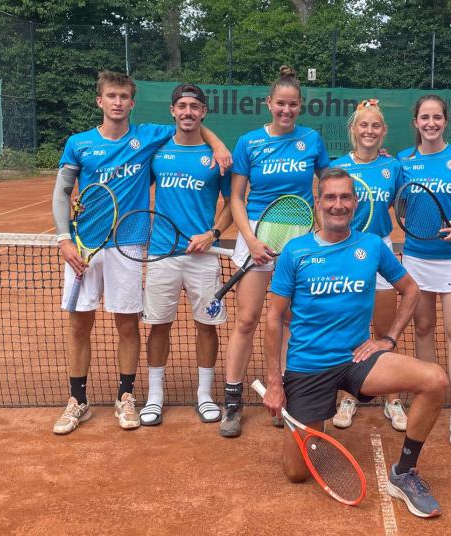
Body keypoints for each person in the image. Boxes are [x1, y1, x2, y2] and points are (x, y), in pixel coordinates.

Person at [52, 71, 231, 435]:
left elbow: (193, 127)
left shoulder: (150, 137)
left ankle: (128, 395)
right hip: (85, 247)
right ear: (100, 101)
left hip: (131, 246)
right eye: (111, 96)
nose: (118, 102)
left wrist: (218, 145)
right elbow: (61, 190)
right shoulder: (80, 143)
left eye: (124, 97)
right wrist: (64, 239)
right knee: (79, 326)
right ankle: (79, 400)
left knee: (129, 325)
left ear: (132, 103)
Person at [262, 168, 448, 518]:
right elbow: (274, 318)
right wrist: (275, 382)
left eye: (345, 197)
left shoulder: (372, 245)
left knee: (434, 379)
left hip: (357, 359)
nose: (338, 205)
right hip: (307, 366)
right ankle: (310, 416)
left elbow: (410, 290)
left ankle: (404, 472)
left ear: (355, 202)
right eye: (330, 197)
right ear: (318, 203)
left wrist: (388, 339)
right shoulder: (295, 251)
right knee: (297, 473)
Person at [221, 65, 329, 438]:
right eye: (280, 104)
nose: (286, 110)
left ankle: (283, 395)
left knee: (288, 321)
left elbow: (328, 183)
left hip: (297, 242)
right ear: (269, 103)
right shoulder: (249, 142)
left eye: (293, 105)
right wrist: (250, 240)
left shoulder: (312, 140)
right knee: (248, 319)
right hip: (256, 237)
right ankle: (232, 402)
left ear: (300, 107)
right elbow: (236, 197)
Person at [137, 83, 233, 426]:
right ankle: (155, 397)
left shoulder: (216, 157)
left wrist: (213, 234)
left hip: (202, 258)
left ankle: (204, 395)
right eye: (182, 106)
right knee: (158, 326)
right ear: (172, 111)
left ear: (203, 112)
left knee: (207, 327)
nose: (188, 111)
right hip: (162, 254)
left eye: (195, 106)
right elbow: (132, 185)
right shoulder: (158, 151)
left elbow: (231, 205)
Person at [397, 95, 451, 447]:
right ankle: (428, 397)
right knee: (422, 328)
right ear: (415, 122)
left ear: (445, 121)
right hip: (416, 259)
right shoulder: (403, 161)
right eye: (424, 117)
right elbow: (400, 203)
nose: (431, 123)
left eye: (437, 117)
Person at [328, 99, 408, 431]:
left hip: (381, 250)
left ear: (384, 131)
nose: (369, 131)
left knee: (385, 328)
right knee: (347, 327)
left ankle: (391, 397)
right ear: (353, 130)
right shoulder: (338, 167)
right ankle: (347, 397)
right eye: (364, 125)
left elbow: (403, 207)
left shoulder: (393, 167)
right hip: (345, 252)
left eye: (376, 126)